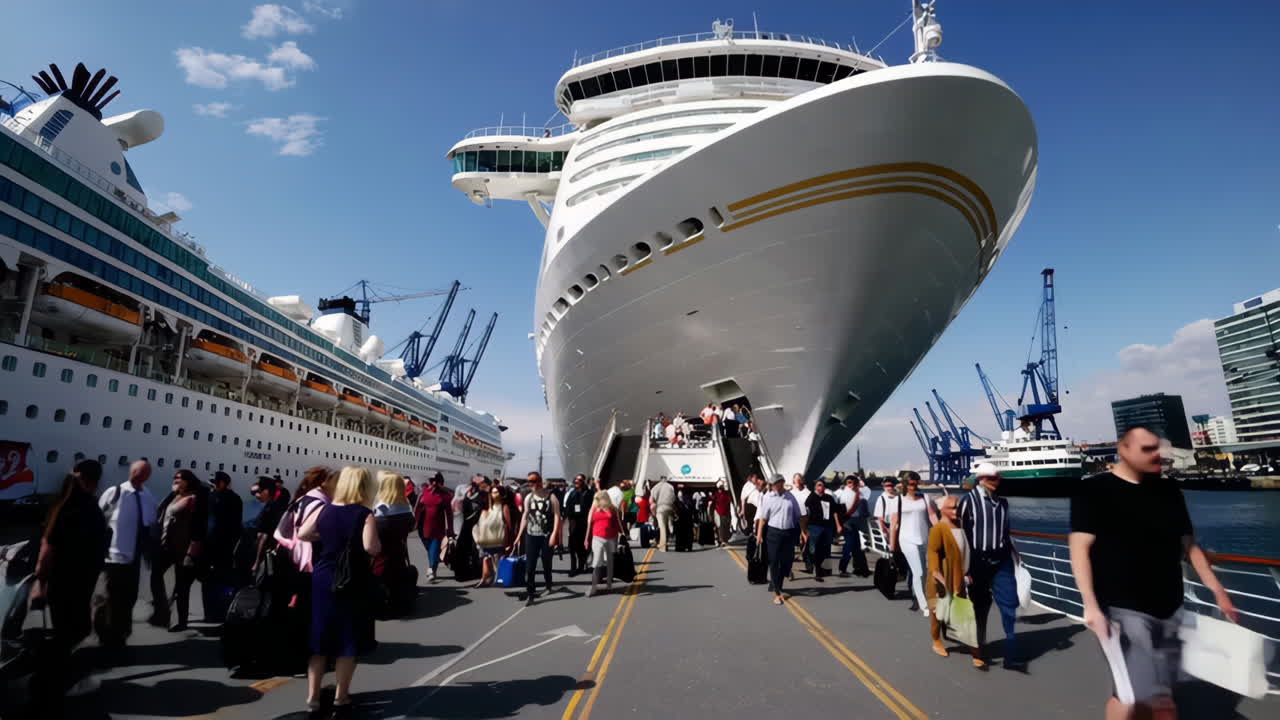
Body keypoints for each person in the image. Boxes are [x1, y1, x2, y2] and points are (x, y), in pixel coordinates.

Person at [1069, 426, 1239, 717]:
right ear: (1123, 450)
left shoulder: (1169, 490)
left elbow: (1189, 545)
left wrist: (1218, 591)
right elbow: (1079, 548)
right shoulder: (1093, 490)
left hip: (1171, 606)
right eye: (1147, 449)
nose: (1156, 454)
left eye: (1157, 447)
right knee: (1140, 696)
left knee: (1148, 693)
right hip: (1122, 609)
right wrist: (1091, 607)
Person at [298, 466, 380, 718]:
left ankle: (312, 698)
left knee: (321, 638)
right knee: (347, 639)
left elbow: (304, 533)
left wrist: (329, 539)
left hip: (323, 576)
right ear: (364, 486)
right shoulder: (365, 514)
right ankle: (340, 698)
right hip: (351, 579)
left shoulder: (325, 509)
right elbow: (371, 547)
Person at [31, 461, 108, 708]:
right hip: (72, 583)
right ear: (94, 480)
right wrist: (41, 580)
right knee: (69, 632)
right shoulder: (83, 510)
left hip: (68, 583)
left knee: (68, 631)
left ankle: (49, 680)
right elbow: (48, 546)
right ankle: (46, 685)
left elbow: (47, 545)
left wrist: (41, 580)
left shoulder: (64, 507)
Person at [957, 463, 1021, 671]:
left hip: (1002, 560)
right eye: (993, 478)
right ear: (982, 479)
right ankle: (979, 645)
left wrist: (1015, 556)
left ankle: (1011, 650)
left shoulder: (1003, 503)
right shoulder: (968, 502)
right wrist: (964, 569)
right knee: (980, 607)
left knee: (1009, 603)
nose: (997, 482)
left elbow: (1005, 531)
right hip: (977, 562)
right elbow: (961, 535)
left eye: (998, 478)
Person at [96, 459, 158, 649]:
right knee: (109, 599)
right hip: (113, 558)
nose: (139, 475)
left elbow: (150, 526)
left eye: (143, 472)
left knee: (128, 599)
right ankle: (105, 638)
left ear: (148, 475)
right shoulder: (114, 493)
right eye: (136, 471)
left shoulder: (148, 497)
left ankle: (121, 635)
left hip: (134, 560)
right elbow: (98, 521)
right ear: (131, 471)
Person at [927, 494, 978, 664]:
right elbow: (933, 553)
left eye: (959, 507)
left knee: (962, 612)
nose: (957, 511)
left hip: (958, 577)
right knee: (938, 615)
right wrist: (936, 574)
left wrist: (968, 571)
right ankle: (936, 640)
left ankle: (975, 650)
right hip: (942, 579)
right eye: (953, 508)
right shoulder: (938, 529)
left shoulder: (963, 526)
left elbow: (966, 551)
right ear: (942, 510)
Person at [150, 470, 200, 631]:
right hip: (166, 545)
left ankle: (181, 621)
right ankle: (162, 609)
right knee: (155, 574)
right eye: (175, 478)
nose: (175, 480)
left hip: (181, 547)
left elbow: (197, 526)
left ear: (188, 481)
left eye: (179, 478)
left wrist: (191, 551)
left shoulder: (193, 499)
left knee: (182, 586)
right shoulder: (173, 496)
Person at [890, 471, 938, 615]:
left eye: (916, 482)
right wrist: (892, 545)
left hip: (924, 538)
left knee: (924, 572)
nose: (914, 486)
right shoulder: (897, 501)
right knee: (918, 572)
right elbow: (894, 523)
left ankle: (924, 596)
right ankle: (925, 606)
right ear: (905, 484)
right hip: (906, 539)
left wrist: (942, 531)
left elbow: (932, 516)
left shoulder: (925, 498)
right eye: (911, 483)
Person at [511, 472, 561, 606]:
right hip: (531, 535)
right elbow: (525, 516)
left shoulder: (552, 497)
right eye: (529, 481)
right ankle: (531, 594)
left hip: (546, 536)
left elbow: (557, 516)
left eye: (533, 481)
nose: (531, 484)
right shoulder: (528, 497)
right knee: (530, 566)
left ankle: (548, 584)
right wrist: (519, 535)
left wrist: (554, 535)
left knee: (546, 563)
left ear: (539, 481)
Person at [755, 475, 801, 605]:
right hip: (773, 533)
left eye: (776, 483)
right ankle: (777, 592)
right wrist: (759, 535)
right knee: (774, 561)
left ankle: (777, 585)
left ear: (782, 483)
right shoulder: (768, 498)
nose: (774, 485)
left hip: (788, 532)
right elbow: (763, 518)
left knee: (786, 561)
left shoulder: (790, 497)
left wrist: (803, 531)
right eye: (772, 483)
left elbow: (798, 515)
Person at [372, 471, 416, 609]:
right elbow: (412, 526)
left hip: (380, 556)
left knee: (381, 580)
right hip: (399, 554)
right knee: (398, 579)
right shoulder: (406, 509)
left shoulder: (379, 510)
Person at [413, 472, 454, 582]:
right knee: (429, 548)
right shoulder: (423, 492)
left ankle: (431, 569)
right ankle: (434, 562)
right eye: (432, 480)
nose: (434, 483)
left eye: (436, 481)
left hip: (437, 527)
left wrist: (450, 529)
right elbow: (417, 509)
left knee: (434, 546)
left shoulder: (446, 495)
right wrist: (413, 524)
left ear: (441, 482)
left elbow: (449, 514)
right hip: (422, 527)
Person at [585, 490, 624, 597]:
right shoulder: (594, 509)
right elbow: (589, 523)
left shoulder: (613, 508)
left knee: (609, 562)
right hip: (597, 538)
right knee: (597, 563)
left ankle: (609, 584)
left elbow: (617, 523)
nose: (596, 500)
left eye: (598, 498)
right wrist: (586, 539)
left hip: (612, 538)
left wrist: (623, 535)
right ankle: (594, 587)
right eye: (596, 498)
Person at [248, 476, 289, 576]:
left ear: (266, 492)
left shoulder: (270, 508)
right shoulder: (271, 505)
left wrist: (257, 562)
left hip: (267, 555)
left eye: (259, 492)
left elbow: (263, 536)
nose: (256, 495)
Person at [472, 484, 511, 588]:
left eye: (496, 492)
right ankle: (485, 579)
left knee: (497, 559)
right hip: (488, 538)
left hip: (499, 538)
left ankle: (497, 578)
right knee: (487, 558)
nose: (494, 494)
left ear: (501, 494)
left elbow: (508, 525)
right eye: (493, 492)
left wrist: (508, 541)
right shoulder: (489, 507)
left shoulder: (504, 507)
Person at [207, 471, 242, 580]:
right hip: (212, 540)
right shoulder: (212, 495)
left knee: (222, 573)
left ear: (222, 483)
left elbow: (235, 523)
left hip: (224, 542)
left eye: (215, 482)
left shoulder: (233, 499)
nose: (213, 485)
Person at [804, 480, 839, 580]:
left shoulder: (829, 498)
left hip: (827, 526)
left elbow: (834, 512)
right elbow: (806, 514)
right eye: (819, 485)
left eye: (823, 485)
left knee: (827, 549)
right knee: (814, 549)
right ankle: (816, 570)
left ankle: (827, 570)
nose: (821, 487)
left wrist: (838, 525)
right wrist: (805, 529)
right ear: (815, 487)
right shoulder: (811, 498)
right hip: (815, 527)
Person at [837, 476, 871, 577]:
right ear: (846, 483)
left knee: (857, 547)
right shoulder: (843, 494)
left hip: (858, 522)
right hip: (848, 521)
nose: (851, 484)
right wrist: (840, 524)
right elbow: (839, 511)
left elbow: (865, 511)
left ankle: (860, 569)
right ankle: (842, 568)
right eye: (849, 482)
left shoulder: (860, 495)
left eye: (853, 482)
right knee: (849, 546)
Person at [563, 475, 593, 576]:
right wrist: (569, 516)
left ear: (584, 481)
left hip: (584, 523)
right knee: (572, 547)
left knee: (582, 547)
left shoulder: (589, 493)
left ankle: (581, 566)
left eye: (579, 480)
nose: (577, 482)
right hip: (573, 522)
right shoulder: (572, 493)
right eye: (575, 480)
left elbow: (592, 508)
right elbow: (567, 506)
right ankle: (573, 567)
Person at [789, 474, 812, 574]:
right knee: (791, 544)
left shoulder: (808, 493)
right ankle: (788, 569)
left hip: (804, 518)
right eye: (796, 480)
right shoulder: (790, 493)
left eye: (799, 480)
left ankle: (809, 566)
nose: (797, 482)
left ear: (802, 481)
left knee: (805, 542)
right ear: (793, 481)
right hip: (793, 519)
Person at [651, 476, 676, 551]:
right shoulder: (670, 486)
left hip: (660, 508)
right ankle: (667, 542)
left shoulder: (656, 487)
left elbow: (653, 499)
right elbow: (674, 498)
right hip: (669, 507)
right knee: (668, 525)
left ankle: (663, 547)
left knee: (662, 527)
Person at [872, 477, 899, 545]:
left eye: (891, 485)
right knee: (890, 546)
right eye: (886, 486)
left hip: (899, 526)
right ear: (883, 487)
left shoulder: (899, 497)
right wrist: (884, 530)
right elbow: (879, 517)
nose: (889, 488)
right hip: (887, 526)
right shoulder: (881, 498)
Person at [711, 481, 733, 547]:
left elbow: (729, 502)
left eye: (721, 487)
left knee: (725, 526)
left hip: (725, 512)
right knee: (720, 527)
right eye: (720, 487)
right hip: (718, 512)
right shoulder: (716, 494)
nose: (720, 488)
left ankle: (724, 540)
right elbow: (713, 503)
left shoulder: (726, 494)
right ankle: (721, 540)